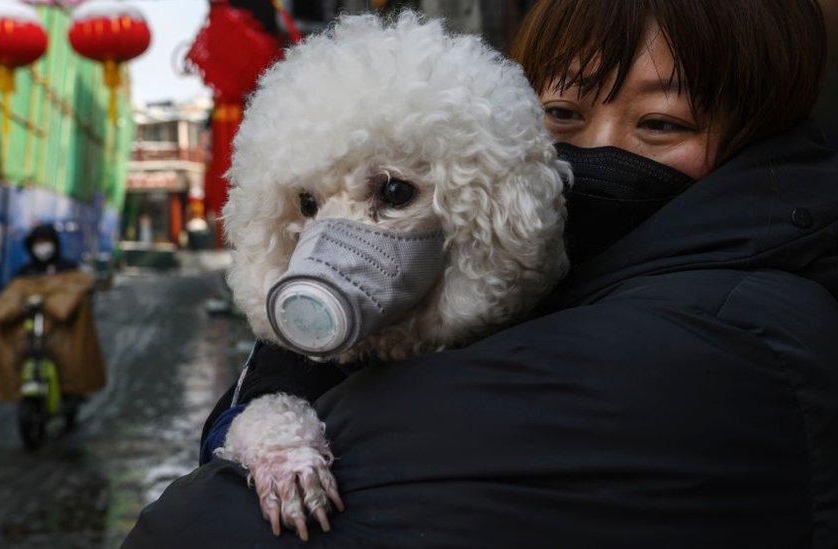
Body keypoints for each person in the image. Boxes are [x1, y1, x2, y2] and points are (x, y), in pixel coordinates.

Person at [124, 1, 838, 547]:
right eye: (562, 112)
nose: (601, 149)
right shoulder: (593, 276)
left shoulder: (719, 335)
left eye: (659, 124)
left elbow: (195, 526)